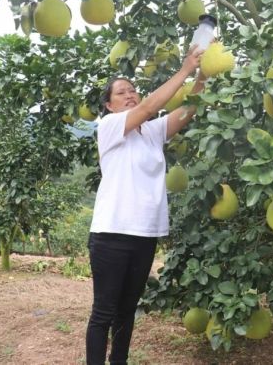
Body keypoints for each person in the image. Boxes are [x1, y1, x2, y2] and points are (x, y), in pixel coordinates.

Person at [85, 44, 207, 365]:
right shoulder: (110, 127)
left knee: (126, 311)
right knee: (104, 312)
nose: (130, 95)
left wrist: (202, 75)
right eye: (121, 93)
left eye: (132, 90)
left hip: (144, 236)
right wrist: (184, 69)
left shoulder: (151, 134)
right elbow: (153, 105)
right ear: (109, 106)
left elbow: (188, 109)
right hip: (111, 234)